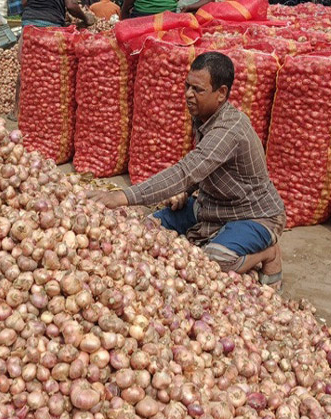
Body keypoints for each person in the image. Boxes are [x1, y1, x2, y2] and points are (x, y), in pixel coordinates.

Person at [87, 52, 286, 291]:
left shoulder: (230, 130)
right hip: (213, 207)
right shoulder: (203, 117)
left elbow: (185, 171)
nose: (188, 95)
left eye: (198, 90)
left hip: (252, 215)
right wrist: (187, 190)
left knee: (210, 263)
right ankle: (226, 244)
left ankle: (268, 253)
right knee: (148, 228)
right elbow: (201, 167)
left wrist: (122, 197)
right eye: (187, 86)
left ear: (221, 93)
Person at [22, 0, 95, 27]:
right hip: (50, 22)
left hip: (28, 21)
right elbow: (71, 6)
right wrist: (86, 18)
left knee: (27, 56)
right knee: (49, 58)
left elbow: (24, 3)